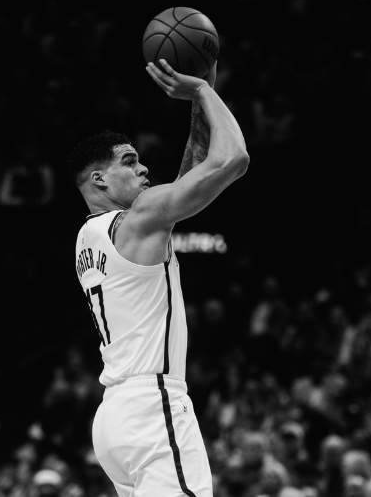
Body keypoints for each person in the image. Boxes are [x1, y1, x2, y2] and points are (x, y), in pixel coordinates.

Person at [66, 58, 248, 497]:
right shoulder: (139, 219)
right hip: (153, 406)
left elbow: (190, 179)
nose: (144, 169)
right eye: (130, 162)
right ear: (99, 179)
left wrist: (200, 103)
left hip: (113, 420)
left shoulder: (90, 237)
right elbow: (233, 160)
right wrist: (202, 92)